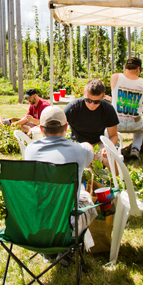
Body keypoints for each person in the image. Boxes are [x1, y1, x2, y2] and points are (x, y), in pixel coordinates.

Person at [24, 106, 97, 263]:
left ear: (41, 130)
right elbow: (90, 153)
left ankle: (50, 250)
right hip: (66, 226)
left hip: (33, 225)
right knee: (86, 199)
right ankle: (65, 248)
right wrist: (87, 144)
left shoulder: (30, 150)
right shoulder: (79, 150)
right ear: (66, 127)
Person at [110, 56, 143, 161]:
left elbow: (115, 97)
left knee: (107, 126)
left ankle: (116, 145)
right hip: (135, 123)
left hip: (116, 122)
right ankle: (135, 149)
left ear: (125, 67)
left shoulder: (115, 77)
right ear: (138, 69)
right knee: (141, 128)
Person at [64, 79, 119, 150]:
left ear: (103, 96)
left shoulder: (108, 109)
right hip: (76, 144)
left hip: (98, 144)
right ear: (84, 93)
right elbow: (57, 130)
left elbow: (113, 135)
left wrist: (108, 148)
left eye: (97, 102)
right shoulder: (73, 107)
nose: (91, 105)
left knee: (110, 160)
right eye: (88, 100)